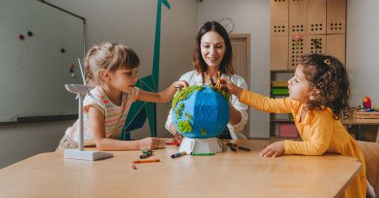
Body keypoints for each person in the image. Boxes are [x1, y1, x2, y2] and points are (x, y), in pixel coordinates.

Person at [222, 53, 367, 198]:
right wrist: (238, 91)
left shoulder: (322, 114)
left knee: (345, 191)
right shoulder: (296, 103)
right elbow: (267, 103)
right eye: (293, 76)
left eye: (296, 80)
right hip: (327, 155)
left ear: (314, 93)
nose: (289, 82)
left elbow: (317, 147)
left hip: (344, 158)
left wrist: (285, 145)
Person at [57, 42, 187, 151]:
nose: (135, 78)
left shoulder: (129, 92)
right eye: (128, 73)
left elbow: (160, 98)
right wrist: (140, 144)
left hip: (95, 147)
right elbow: (101, 143)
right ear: (106, 75)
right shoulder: (95, 100)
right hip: (73, 147)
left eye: (136, 72)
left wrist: (175, 86)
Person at [165, 21, 249, 144]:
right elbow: (171, 118)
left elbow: (239, 124)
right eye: (206, 46)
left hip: (224, 143)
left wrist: (223, 100)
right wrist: (177, 132)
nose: (212, 52)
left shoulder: (238, 82)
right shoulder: (186, 79)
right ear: (199, 47)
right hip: (192, 142)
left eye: (218, 46)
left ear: (226, 49)